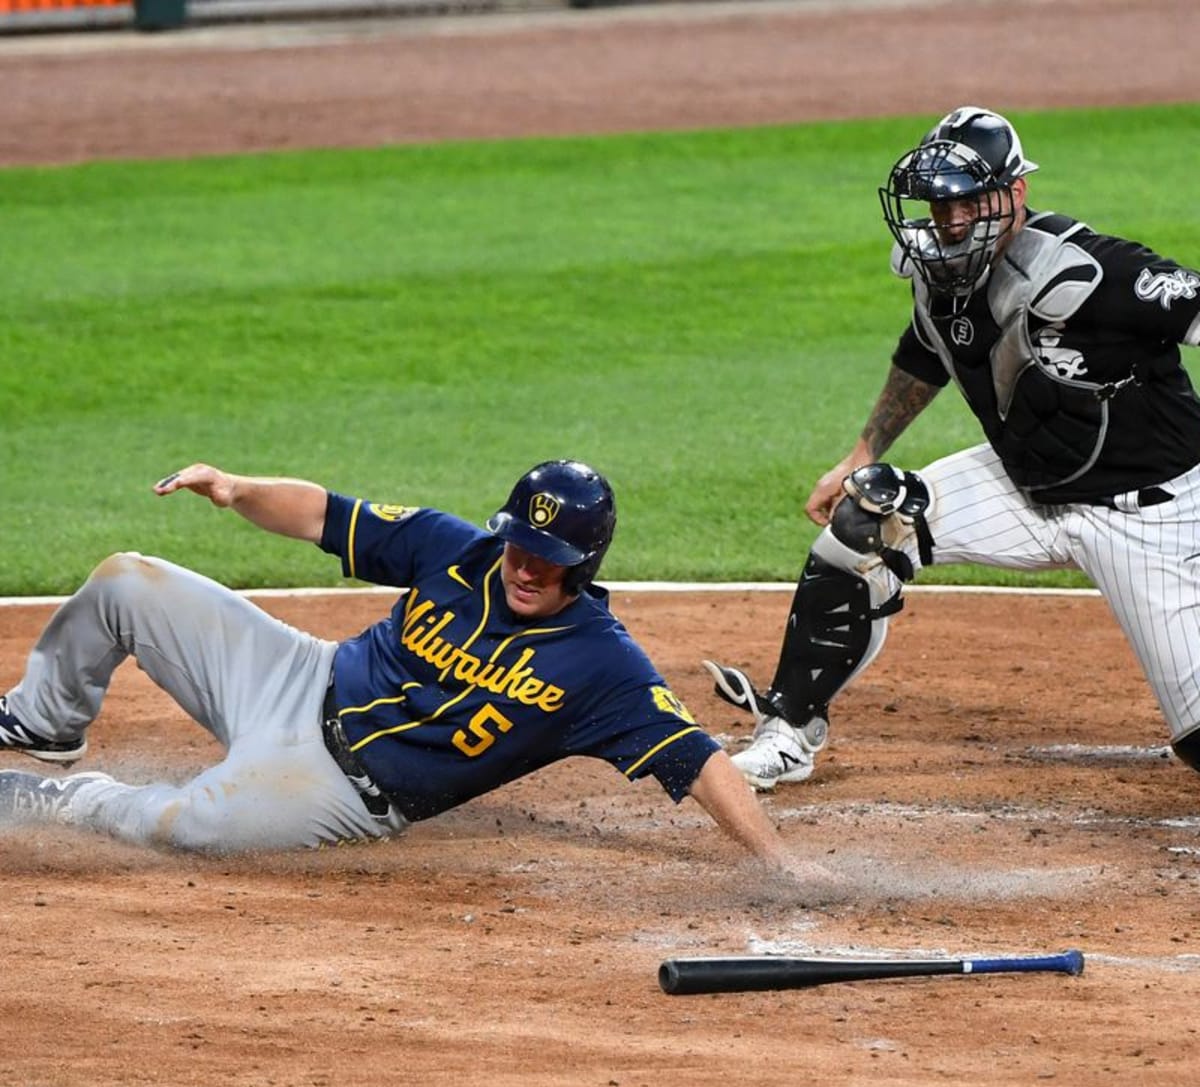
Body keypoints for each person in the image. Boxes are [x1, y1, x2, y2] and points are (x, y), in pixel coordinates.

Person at [0, 458, 835, 886]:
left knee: (184, 826)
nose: (525, 567)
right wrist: (236, 487)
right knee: (126, 579)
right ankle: (45, 721)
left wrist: (779, 861)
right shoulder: (458, 550)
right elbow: (327, 514)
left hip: (338, 791)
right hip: (298, 675)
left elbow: (698, 761)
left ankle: (67, 799)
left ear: (584, 565)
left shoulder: (602, 666)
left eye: (548, 560)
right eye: (521, 545)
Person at [703, 104, 1200, 789]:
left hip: (1151, 515)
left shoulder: (1092, 273)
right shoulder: (938, 275)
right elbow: (926, 354)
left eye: (970, 200)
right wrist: (863, 451)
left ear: (1015, 193)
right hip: (1025, 486)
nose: (952, 219)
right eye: (940, 204)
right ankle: (788, 732)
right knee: (864, 521)